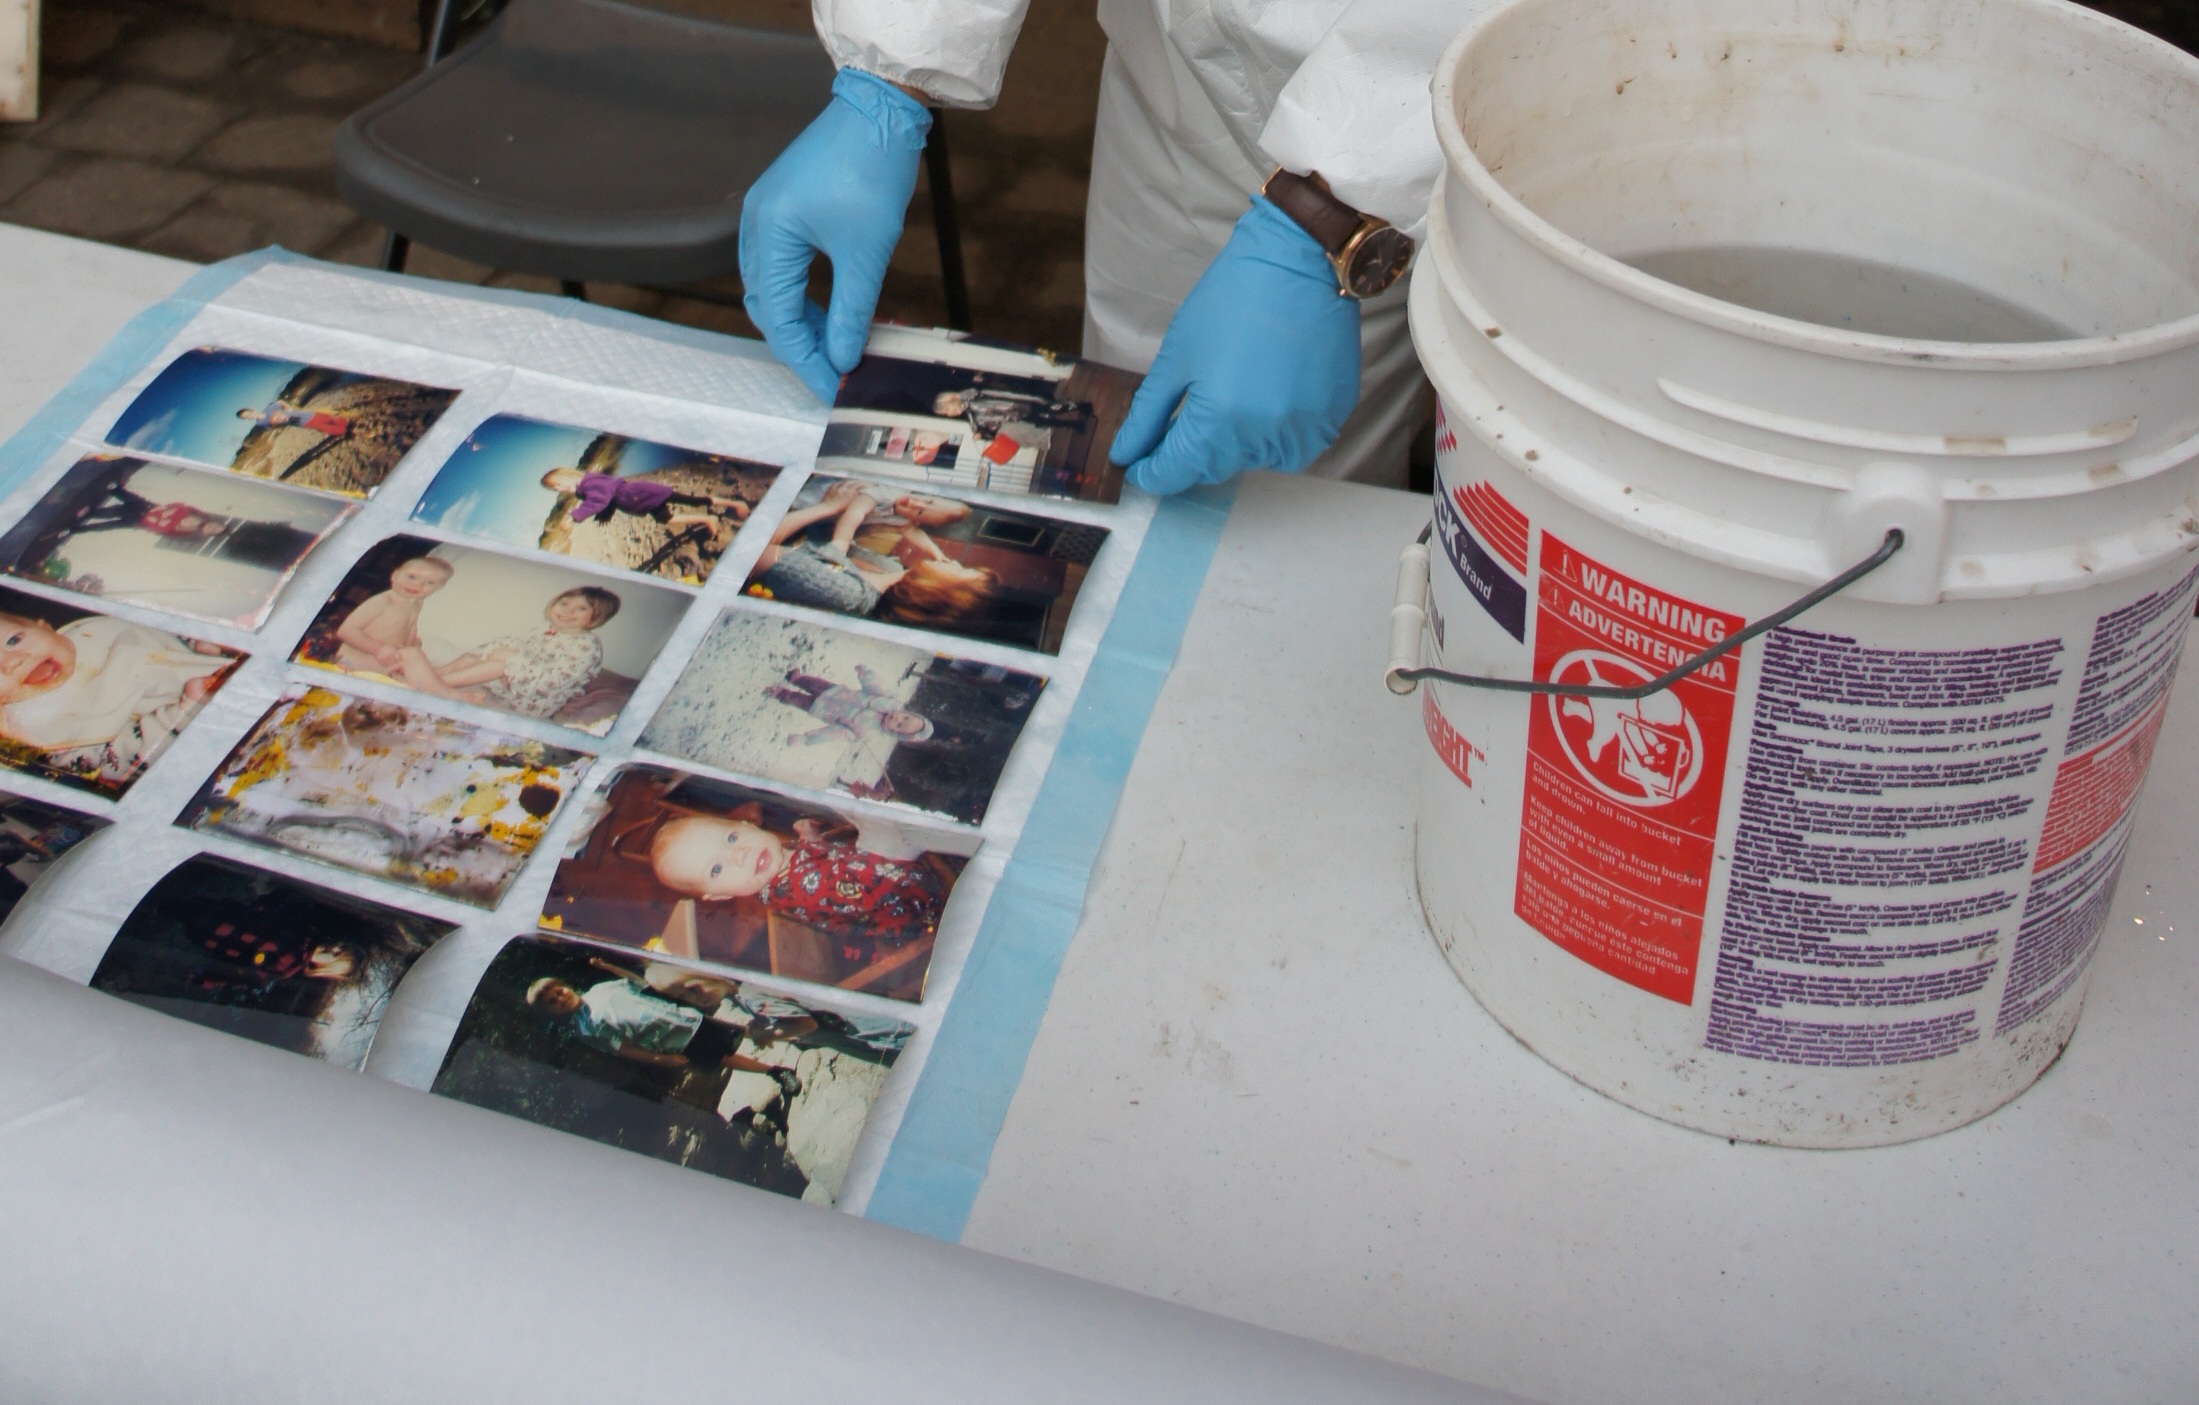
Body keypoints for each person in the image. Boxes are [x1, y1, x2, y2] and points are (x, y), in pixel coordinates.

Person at [740, 0, 1487, 495]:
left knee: (1288, 522)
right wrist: (894, 62)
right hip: (1180, 66)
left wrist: (1340, 210)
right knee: (1128, 425)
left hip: (1434, 119)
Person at [646, 809, 948, 953]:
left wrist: (810, 839)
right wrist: (876, 834)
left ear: (745, 822)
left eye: (731, 838)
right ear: (720, 896)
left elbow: (821, 867)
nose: (740, 855)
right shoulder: (799, 886)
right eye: (716, 870)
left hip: (880, 885)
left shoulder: (772, 869)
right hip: (923, 901)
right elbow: (875, 886)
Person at [0, 609, 232, 785]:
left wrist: (198, 641)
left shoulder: (92, 634)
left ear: (44, 626)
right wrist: (189, 708)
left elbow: (153, 634)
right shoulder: (42, 735)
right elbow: (121, 768)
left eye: (13, 640)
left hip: (225, 673)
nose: (14, 662)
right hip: (207, 748)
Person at [749, 479, 999, 627]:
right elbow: (828, 544)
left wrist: (827, 508)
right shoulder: (891, 571)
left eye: (960, 570)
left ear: (940, 592)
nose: (954, 562)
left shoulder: (851, 595)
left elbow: (752, 552)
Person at [393, 584, 618, 720]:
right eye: (564, 603)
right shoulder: (545, 630)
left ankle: (438, 684)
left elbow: (553, 682)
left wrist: (512, 661)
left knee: (506, 657)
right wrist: (510, 657)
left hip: (538, 700)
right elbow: (521, 655)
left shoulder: (588, 646)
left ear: (595, 618)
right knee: (507, 643)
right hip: (516, 686)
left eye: (581, 609)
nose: (568, 611)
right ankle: (439, 673)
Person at [538, 466, 751, 533]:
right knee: (665, 518)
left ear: (565, 478)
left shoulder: (589, 485)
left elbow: (600, 499)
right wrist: (605, 513)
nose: (559, 490)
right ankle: (708, 520)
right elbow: (605, 500)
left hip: (643, 494)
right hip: (639, 499)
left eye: (557, 486)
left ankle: (734, 504)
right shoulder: (584, 487)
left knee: (691, 500)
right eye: (555, 490)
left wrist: (576, 515)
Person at [333, 555, 452, 674]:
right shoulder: (383, 601)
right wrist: (379, 649)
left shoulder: (417, 603)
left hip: (384, 659)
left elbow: (410, 627)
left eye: (430, 583)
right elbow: (345, 631)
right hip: (351, 659)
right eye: (412, 576)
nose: (418, 584)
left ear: (438, 588)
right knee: (409, 668)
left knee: (413, 655)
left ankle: (437, 677)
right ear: (394, 575)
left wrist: (409, 646)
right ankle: (440, 679)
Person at [766, 663, 933, 746]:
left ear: (895, 732)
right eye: (904, 717)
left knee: (797, 700)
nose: (897, 718)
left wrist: (806, 739)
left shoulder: (863, 729)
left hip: (822, 710)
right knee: (813, 683)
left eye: (899, 725)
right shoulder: (889, 701)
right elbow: (875, 686)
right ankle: (796, 678)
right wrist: (866, 674)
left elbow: (833, 734)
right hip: (835, 692)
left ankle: (780, 693)